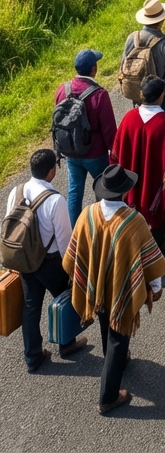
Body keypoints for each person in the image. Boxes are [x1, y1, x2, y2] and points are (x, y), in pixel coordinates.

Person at [64, 162, 165, 414]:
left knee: (104, 322)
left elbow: (73, 256)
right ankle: (108, 397)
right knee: (119, 336)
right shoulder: (134, 221)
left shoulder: (87, 214)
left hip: (96, 289)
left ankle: (114, 359)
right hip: (121, 289)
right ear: (124, 192)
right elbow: (149, 260)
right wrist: (155, 287)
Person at [5, 149, 87, 373]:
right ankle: (66, 343)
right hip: (50, 262)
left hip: (24, 260)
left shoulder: (16, 191)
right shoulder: (55, 200)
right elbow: (65, 242)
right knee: (65, 299)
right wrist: (72, 270)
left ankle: (33, 356)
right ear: (51, 171)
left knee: (31, 306)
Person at [111, 76, 165, 254]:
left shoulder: (129, 118)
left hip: (130, 180)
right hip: (155, 180)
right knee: (157, 208)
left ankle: (135, 243)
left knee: (132, 211)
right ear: (160, 97)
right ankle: (158, 243)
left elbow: (116, 151)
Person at [54, 47, 117, 225]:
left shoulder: (62, 89)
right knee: (104, 192)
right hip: (95, 153)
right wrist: (116, 153)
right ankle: (103, 228)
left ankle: (75, 234)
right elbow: (109, 130)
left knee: (74, 192)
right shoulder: (99, 95)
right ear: (93, 69)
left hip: (71, 153)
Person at [122, 0, 165, 118]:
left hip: (139, 94)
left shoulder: (132, 38)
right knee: (163, 130)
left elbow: (123, 67)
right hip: (162, 97)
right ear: (162, 20)